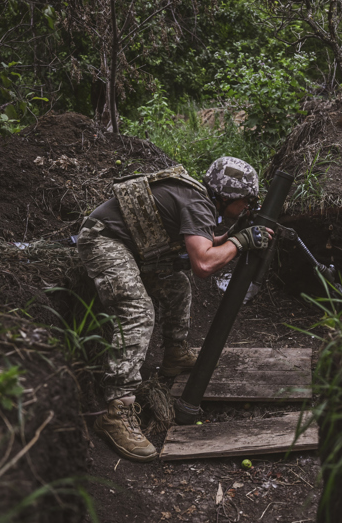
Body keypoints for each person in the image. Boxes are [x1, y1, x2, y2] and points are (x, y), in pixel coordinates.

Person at [76, 157, 272, 462]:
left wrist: (233, 238)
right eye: (247, 201)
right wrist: (240, 241)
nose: (247, 207)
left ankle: (174, 353)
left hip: (127, 242)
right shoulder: (198, 203)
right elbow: (204, 263)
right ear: (228, 197)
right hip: (104, 240)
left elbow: (203, 241)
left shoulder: (197, 199)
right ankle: (116, 409)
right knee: (137, 310)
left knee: (176, 282)